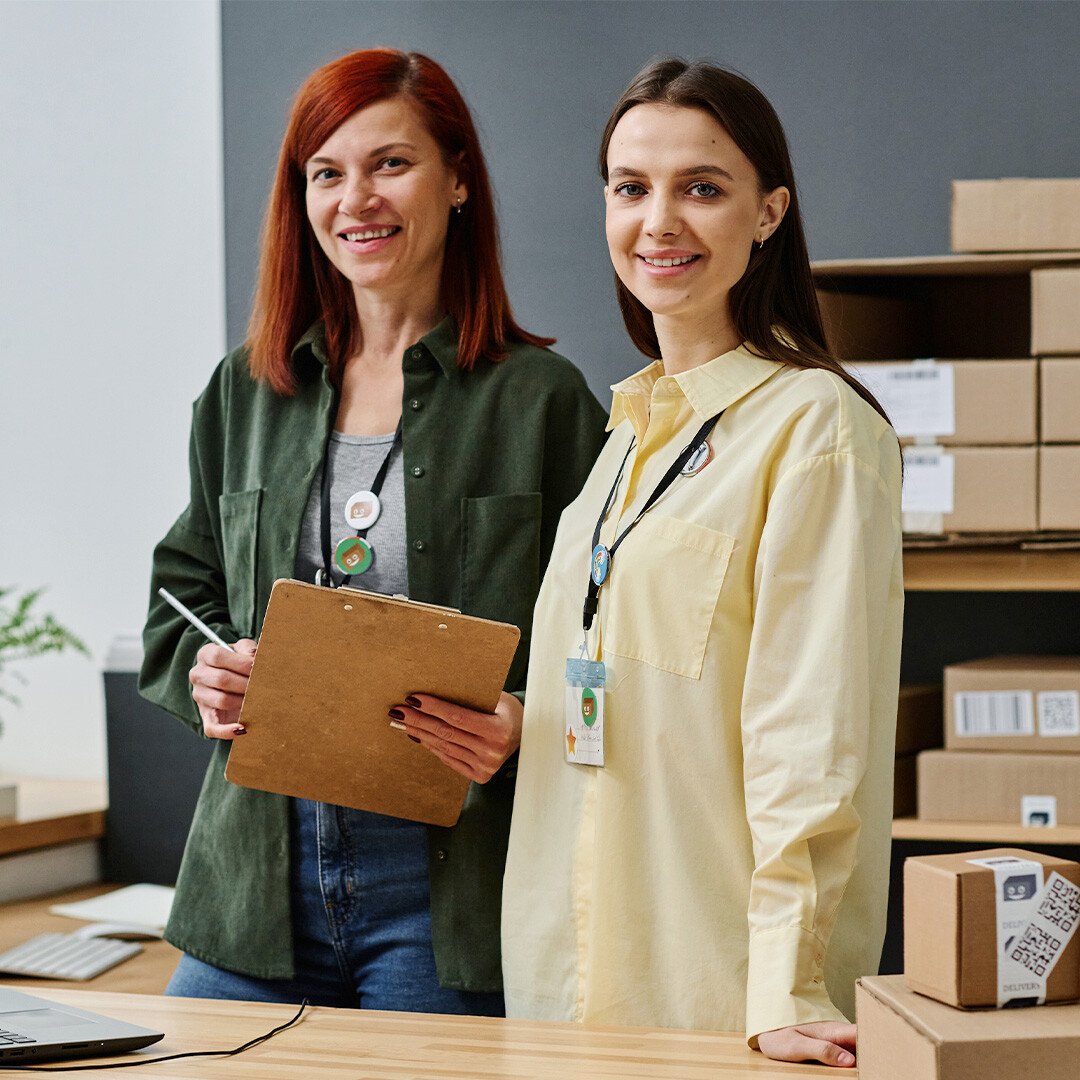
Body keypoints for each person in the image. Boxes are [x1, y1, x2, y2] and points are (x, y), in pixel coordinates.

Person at [139, 47, 607, 1014]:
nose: (358, 198)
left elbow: (613, 643)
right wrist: (209, 672)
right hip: (253, 877)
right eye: (327, 172)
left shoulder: (543, 403)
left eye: (390, 163)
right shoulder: (246, 390)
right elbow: (178, 600)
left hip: (448, 891)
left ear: (460, 179)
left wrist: (525, 721)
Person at [491, 58, 902, 1066]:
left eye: (702, 188)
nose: (659, 220)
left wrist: (788, 988)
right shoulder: (625, 438)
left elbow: (813, 736)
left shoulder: (818, 430)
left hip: (722, 1000)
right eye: (632, 188)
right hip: (559, 983)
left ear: (768, 213)